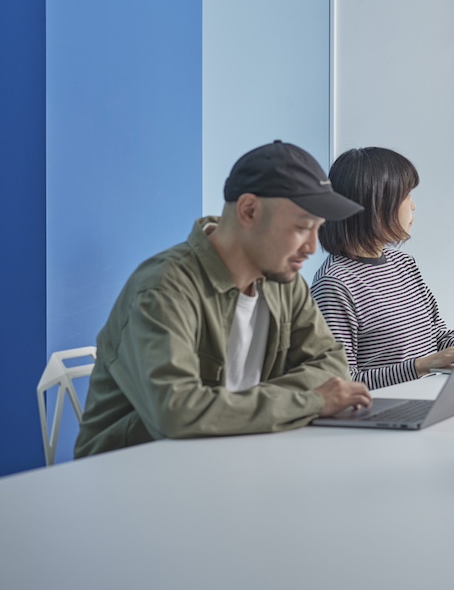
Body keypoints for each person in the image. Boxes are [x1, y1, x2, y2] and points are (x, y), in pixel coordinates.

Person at [76, 141, 373, 458]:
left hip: (230, 457)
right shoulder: (163, 289)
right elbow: (177, 413)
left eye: (318, 229)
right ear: (249, 210)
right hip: (131, 474)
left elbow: (334, 367)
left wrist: (229, 406)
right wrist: (312, 401)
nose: (313, 247)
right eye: (302, 227)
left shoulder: (285, 282)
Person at [311, 147, 454, 390]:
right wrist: (420, 367)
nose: (413, 207)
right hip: (378, 415)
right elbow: (339, 383)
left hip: (425, 398)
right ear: (376, 203)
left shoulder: (404, 264)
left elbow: (437, 336)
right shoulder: (334, 285)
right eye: (406, 195)